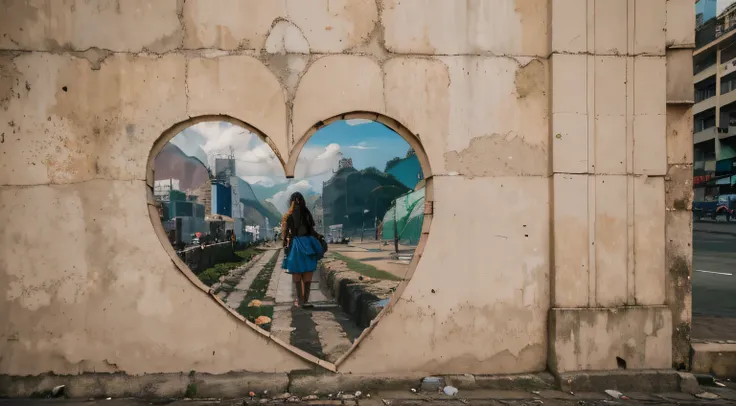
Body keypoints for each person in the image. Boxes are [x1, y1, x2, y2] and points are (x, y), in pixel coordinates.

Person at [281, 192, 325, 308]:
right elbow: (311, 230)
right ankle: (305, 301)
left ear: (291, 202)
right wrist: (318, 238)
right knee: (308, 272)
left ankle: (300, 300)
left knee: (296, 273)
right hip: (308, 244)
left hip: (295, 245)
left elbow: (285, 234)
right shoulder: (306, 213)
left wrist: (285, 242)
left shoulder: (289, 216)